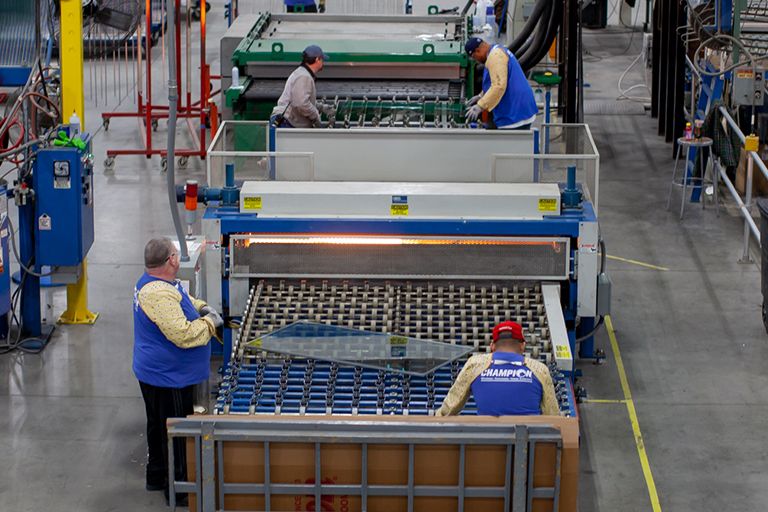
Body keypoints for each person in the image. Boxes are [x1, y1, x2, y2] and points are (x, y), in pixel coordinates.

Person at [133, 238, 223, 504]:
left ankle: (156, 475)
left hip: (157, 371)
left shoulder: (159, 283)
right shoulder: (158, 294)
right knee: (176, 432)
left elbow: (182, 299)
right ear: (171, 260)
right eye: (175, 253)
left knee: (157, 425)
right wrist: (211, 323)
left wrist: (202, 307)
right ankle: (179, 490)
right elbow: (183, 334)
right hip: (169, 377)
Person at [436, 321, 559, 417]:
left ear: (492, 346)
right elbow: (553, 414)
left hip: (488, 439)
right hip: (530, 440)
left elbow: (448, 409)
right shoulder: (539, 369)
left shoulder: (475, 364)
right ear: (523, 346)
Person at [464, 37, 538, 130]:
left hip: (515, 113)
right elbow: (495, 80)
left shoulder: (495, 56)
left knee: (509, 139)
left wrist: (480, 106)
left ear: (478, 51)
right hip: (520, 106)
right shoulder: (497, 50)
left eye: (475, 57)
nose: (477, 61)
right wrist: (481, 96)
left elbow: (498, 86)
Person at [270, 45, 328, 128]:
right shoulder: (304, 76)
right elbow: (301, 104)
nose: (323, 63)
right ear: (317, 59)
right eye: (322, 60)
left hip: (286, 121)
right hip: (287, 122)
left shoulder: (302, 73)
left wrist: (321, 107)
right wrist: (316, 117)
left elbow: (302, 99)